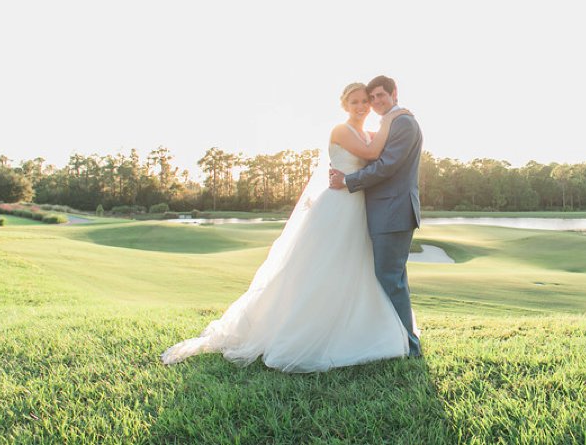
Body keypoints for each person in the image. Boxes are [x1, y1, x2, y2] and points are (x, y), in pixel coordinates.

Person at [160, 83, 412, 372]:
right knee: (321, 267)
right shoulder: (341, 131)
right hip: (337, 206)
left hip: (357, 208)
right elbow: (373, 151)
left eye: (365, 101)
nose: (362, 106)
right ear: (345, 105)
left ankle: (350, 326)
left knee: (352, 267)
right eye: (355, 101)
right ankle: (301, 329)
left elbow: (378, 155)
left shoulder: (366, 132)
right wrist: (390, 118)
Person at [328, 75, 423, 357]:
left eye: (381, 95)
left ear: (395, 93)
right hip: (382, 210)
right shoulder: (388, 123)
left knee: (390, 279)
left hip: (392, 210)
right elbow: (373, 153)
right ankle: (394, 339)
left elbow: (386, 166)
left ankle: (408, 346)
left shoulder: (401, 122)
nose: (376, 102)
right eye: (373, 98)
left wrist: (348, 181)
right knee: (391, 278)